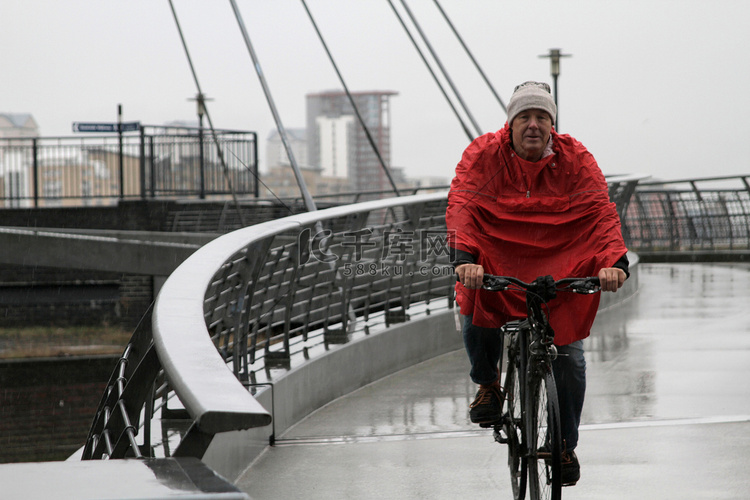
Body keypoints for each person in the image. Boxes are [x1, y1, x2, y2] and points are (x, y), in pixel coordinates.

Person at [446, 81, 629, 487]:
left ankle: (563, 446)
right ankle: (488, 386)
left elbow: (600, 211)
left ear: (552, 124)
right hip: (499, 256)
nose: (533, 125)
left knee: (570, 359)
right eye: (524, 116)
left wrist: (613, 260)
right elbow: (462, 204)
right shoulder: (483, 155)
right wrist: (464, 257)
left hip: (560, 265)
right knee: (474, 301)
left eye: (542, 117)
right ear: (509, 123)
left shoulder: (576, 158)